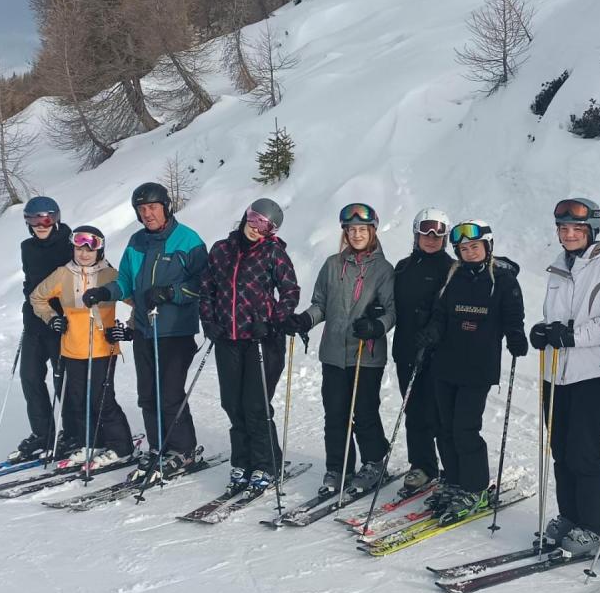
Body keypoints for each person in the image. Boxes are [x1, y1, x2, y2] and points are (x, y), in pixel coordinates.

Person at [83, 182, 208, 483]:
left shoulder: (188, 240)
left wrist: (171, 292)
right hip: (143, 330)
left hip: (175, 331)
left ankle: (183, 449)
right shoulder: (136, 242)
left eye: (153, 207)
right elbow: (125, 281)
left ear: (166, 207)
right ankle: (158, 447)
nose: (148, 214)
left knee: (170, 394)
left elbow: (204, 284)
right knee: (148, 395)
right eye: (142, 209)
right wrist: (105, 292)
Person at [530, 198, 600, 555]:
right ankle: (571, 515)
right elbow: (556, 318)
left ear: (592, 231)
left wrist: (572, 337)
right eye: (564, 228)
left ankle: (595, 525)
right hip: (556, 373)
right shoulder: (558, 267)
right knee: (560, 449)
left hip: (594, 374)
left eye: (577, 228)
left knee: (583, 452)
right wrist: (543, 331)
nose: (569, 234)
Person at [282, 203, 396, 497]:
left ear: (372, 231)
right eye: (351, 229)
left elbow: (392, 311)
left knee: (365, 412)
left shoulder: (383, 270)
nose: (356, 234)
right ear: (345, 232)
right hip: (333, 354)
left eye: (362, 229)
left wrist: (376, 325)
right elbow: (320, 303)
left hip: (366, 355)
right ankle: (339, 467)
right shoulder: (332, 265)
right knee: (335, 414)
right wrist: (305, 320)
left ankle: (374, 462)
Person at [417, 220, 527, 521]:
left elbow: (513, 316)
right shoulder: (454, 276)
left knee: (465, 428)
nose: (469, 252)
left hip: (478, 366)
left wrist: (516, 337)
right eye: (463, 249)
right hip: (446, 363)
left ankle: (475, 487)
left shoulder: (502, 280)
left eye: (474, 246)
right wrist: (432, 332)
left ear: (487, 246)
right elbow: (441, 314)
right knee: (444, 427)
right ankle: (454, 480)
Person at [199, 198, 300, 495]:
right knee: (232, 404)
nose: (257, 228)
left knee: (255, 405)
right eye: (254, 220)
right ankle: (242, 462)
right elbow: (207, 289)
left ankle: (266, 464)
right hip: (228, 339)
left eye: (266, 226)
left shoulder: (274, 253)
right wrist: (209, 322)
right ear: (246, 216)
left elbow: (290, 292)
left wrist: (272, 322)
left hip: (261, 340)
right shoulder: (221, 249)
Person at [29, 225, 134, 467]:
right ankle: (93, 443)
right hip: (72, 349)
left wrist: (128, 329)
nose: (84, 254)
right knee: (78, 400)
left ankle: (122, 446)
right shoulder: (62, 274)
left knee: (102, 399)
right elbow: (37, 297)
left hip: (102, 349)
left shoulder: (111, 276)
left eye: (90, 249)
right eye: (79, 248)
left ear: (100, 251)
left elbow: (137, 301)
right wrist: (52, 318)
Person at [391, 208, 453, 494]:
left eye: (437, 235)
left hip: (438, 353)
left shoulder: (452, 269)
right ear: (416, 235)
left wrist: (434, 335)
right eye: (425, 233)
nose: (431, 239)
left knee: (439, 413)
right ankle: (422, 465)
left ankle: (452, 470)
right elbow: (391, 304)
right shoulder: (403, 267)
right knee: (414, 410)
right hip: (406, 349)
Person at [15, 196, 73, 460]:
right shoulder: (27, 247)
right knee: (30, 377)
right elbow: (30, 282)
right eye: (34, 220)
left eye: (47, 219)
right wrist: (28, 309)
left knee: (63, 380)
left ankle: (72, 433)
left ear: (56, 219)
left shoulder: (70, 244)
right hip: (34, 323)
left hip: (61, 324)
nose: (41, 225)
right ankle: (43, 434)